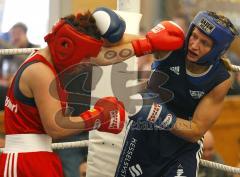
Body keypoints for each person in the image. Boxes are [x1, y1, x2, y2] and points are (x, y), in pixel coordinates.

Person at [0, 6, 185, 177]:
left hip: (37, 156)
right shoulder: (40, 72)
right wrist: (98, 117)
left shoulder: (50, 57)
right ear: (67, 47)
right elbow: (56, 127)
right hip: (24, 161)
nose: (83, 65)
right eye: (83, 58)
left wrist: (148, 43)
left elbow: (102, 56)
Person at [114, 11, 239, 177]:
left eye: (204, 42)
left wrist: (158, 114)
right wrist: (108, 34)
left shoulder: (219, 79)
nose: (194, 45)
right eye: (194, 36)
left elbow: (196, 131)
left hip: (182, 146)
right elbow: (131, 42)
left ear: (217, 50)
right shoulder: (172, 46)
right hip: (144, 133)